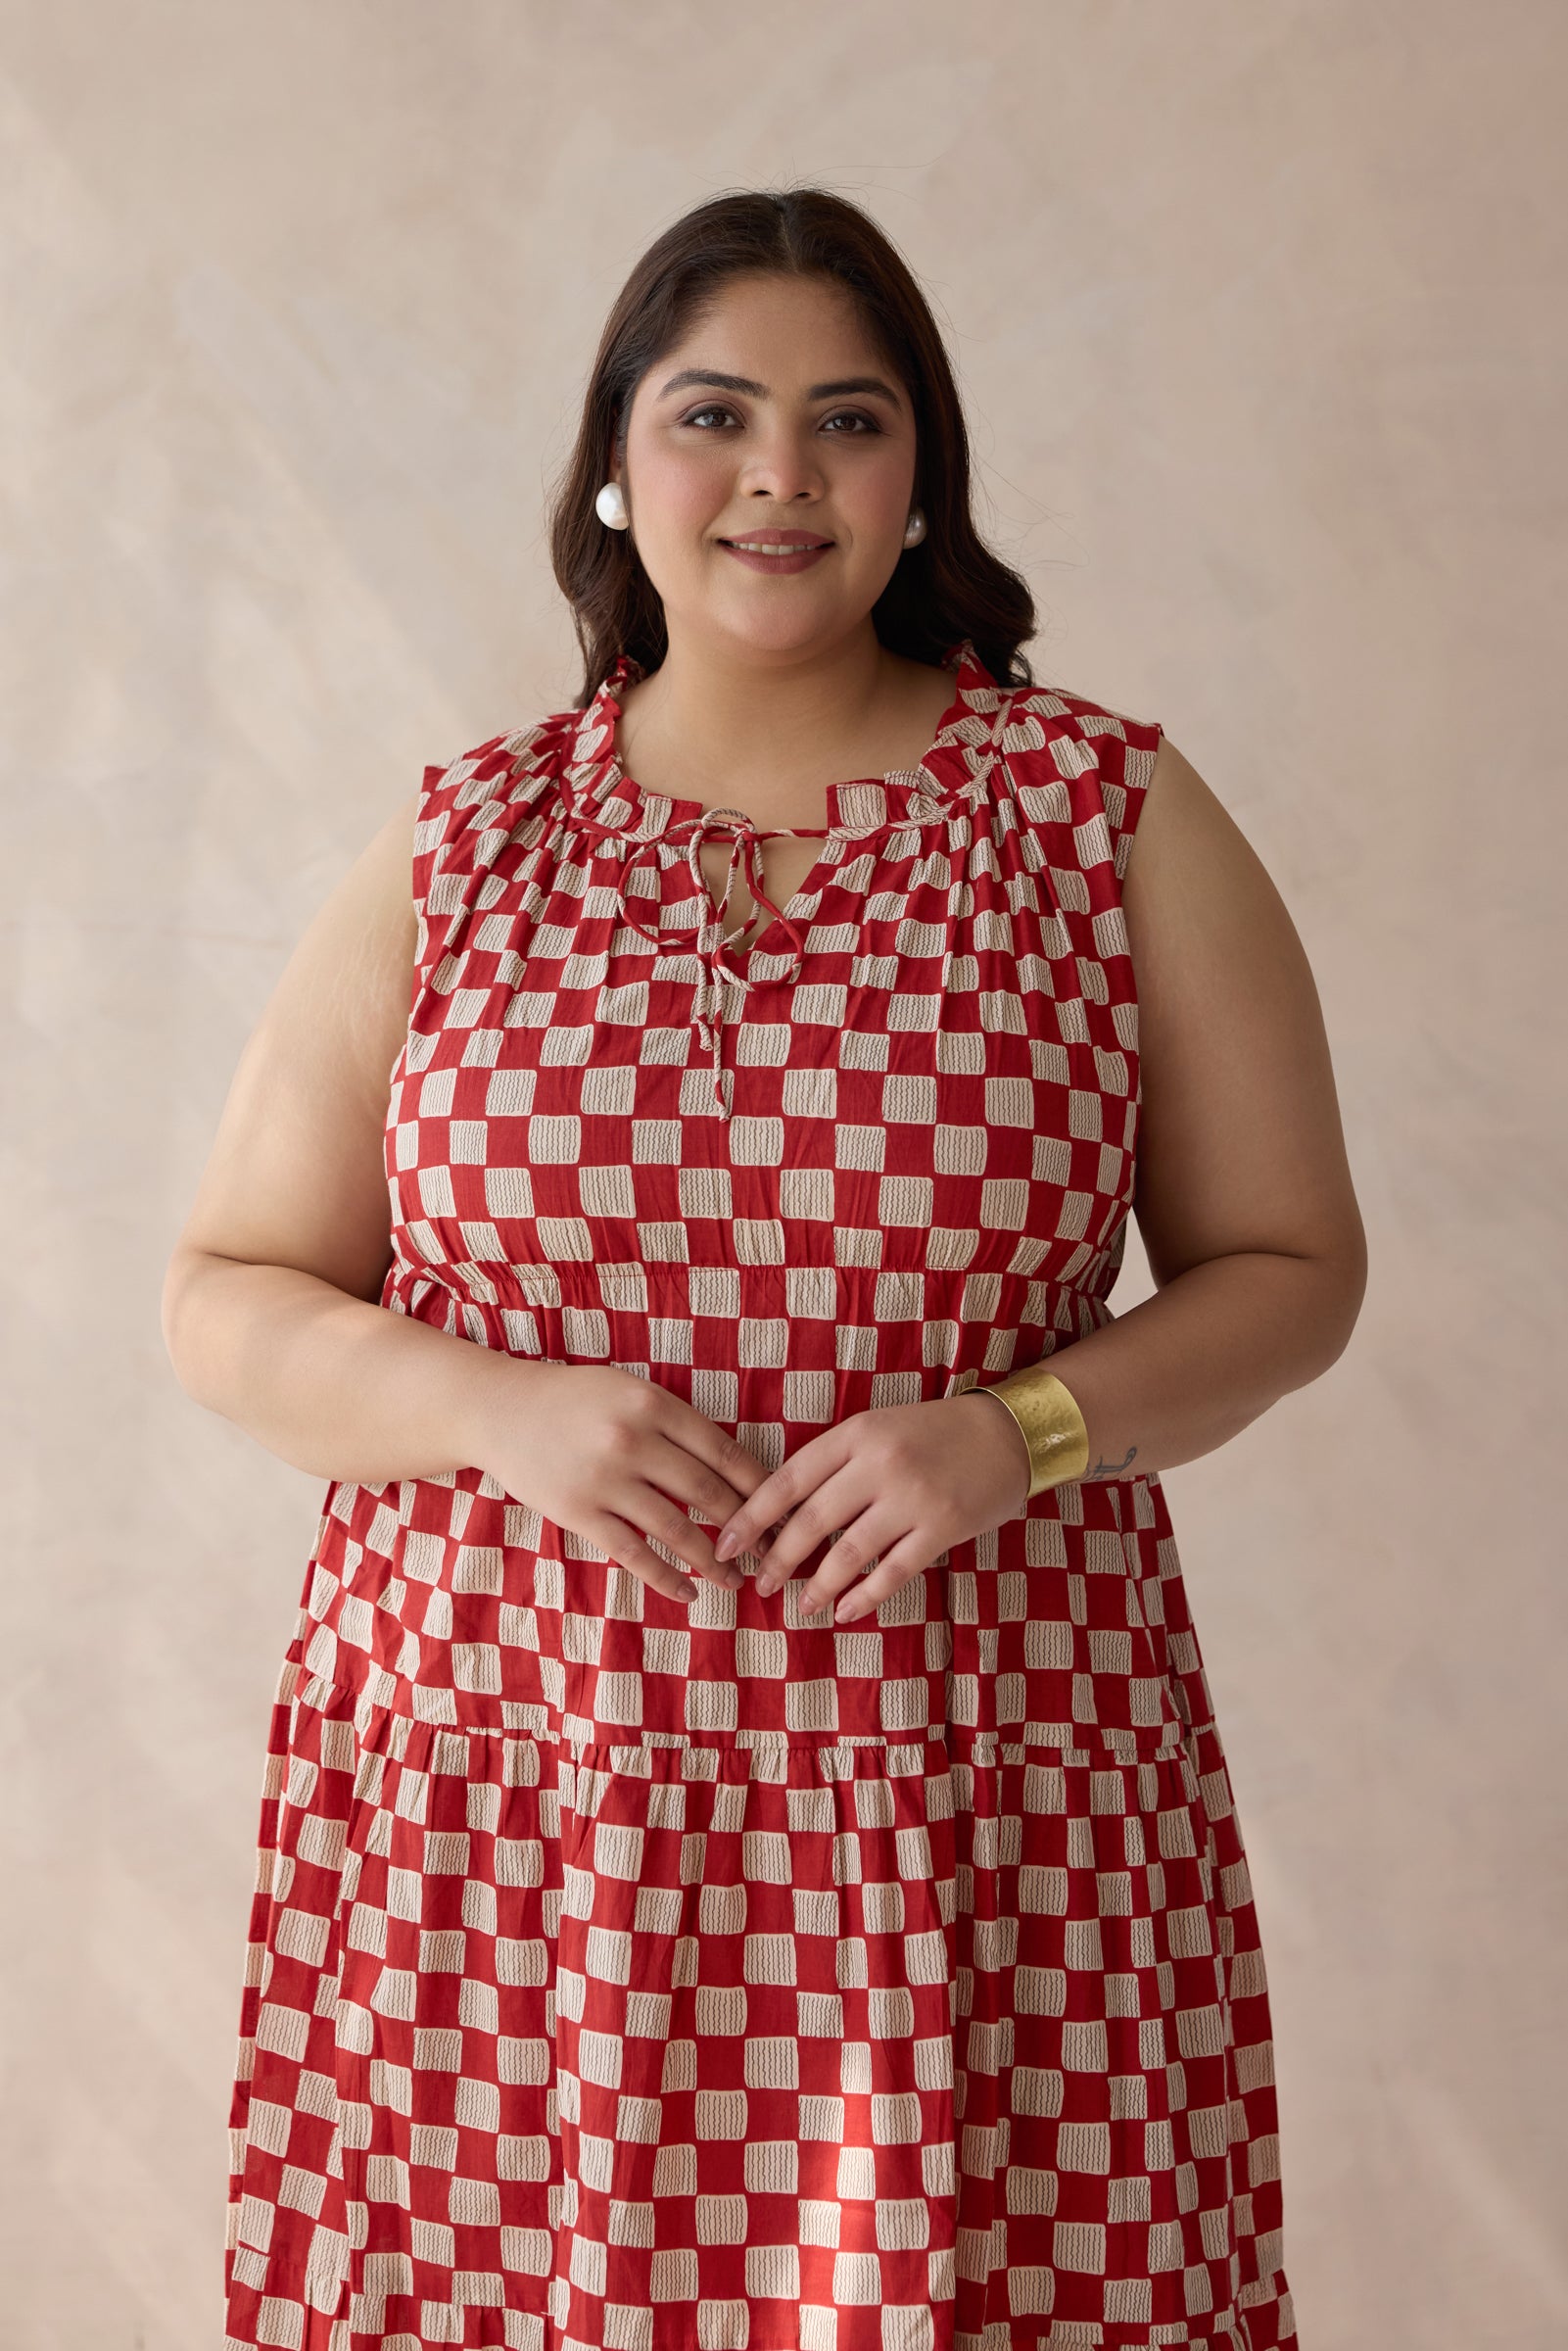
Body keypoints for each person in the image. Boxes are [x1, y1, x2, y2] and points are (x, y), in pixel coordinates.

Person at [165, 186, 1361, 2351]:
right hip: (515, 1832)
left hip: (978, 1814)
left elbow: (1292, 1266)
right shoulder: (463, 848)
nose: (781, 473)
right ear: (619, 466)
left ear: (922, 484)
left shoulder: (1097, 821)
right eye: (714, 413)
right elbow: (231, 1289)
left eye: (851, 419)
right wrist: (490, 1408)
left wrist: (1022, 1431)